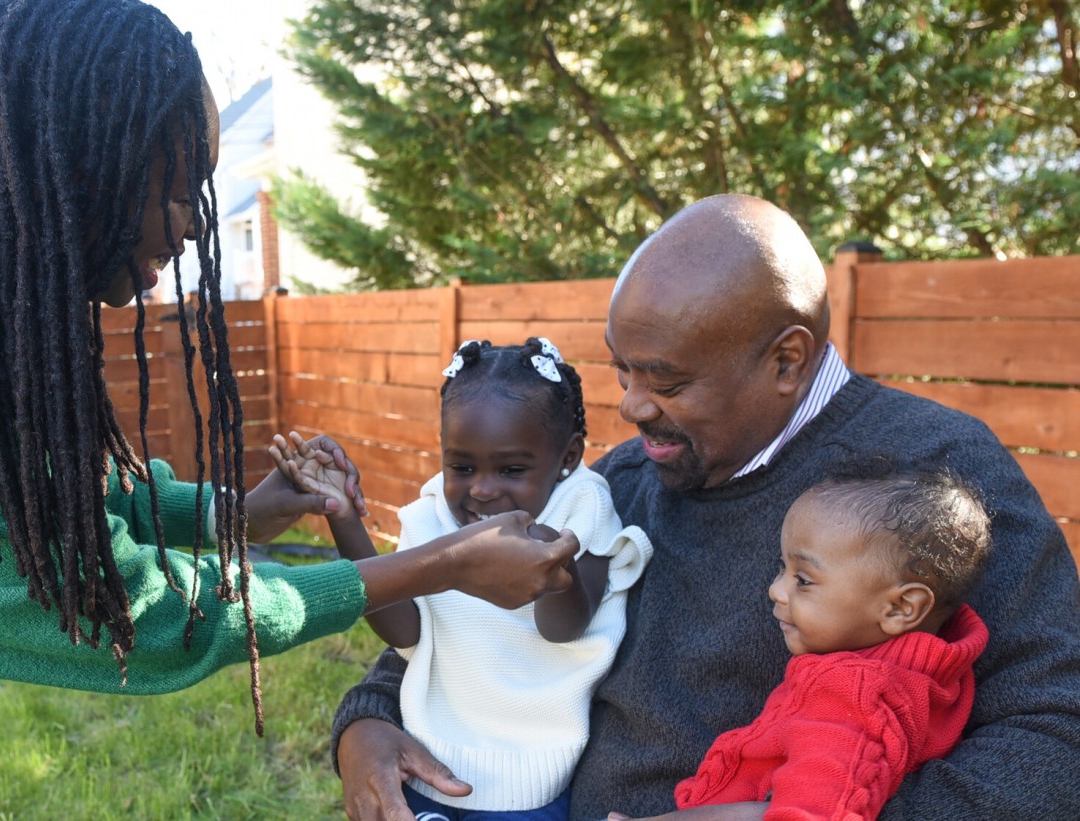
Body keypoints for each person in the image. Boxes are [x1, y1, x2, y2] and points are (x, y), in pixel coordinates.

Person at [0, 1, 579, 817]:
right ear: (83, 168)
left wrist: (233, 511)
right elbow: (146, 617)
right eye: (177, 185)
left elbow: (53, 492)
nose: (198, 220)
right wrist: (442, 563)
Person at [330, 193, 1080, 821]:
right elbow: (463, 633)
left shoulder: (936, 475)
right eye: (623, 370)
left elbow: (1056, 733)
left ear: (786, 359)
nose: (630, 406)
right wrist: (365, 722)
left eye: (667, 381)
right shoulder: (618, 481)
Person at [274, 338, 653, 819]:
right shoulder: (432, 514)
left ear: (567, 456)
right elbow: (405, 631)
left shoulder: (582, 504)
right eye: (461, 466)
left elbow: (564, 627)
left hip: (532, 779)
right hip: (426, 764)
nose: (482, 488)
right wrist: (344, 518)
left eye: (512, 469)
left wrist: (553, 561)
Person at [639, 464, 991, 821]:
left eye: (803, 580)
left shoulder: (855, 695)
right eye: (782, 568)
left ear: (901, 607)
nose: (775, 590)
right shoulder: (931, 673)